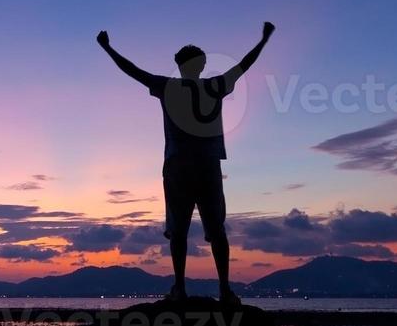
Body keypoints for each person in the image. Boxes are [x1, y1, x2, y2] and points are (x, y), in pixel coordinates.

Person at [97, 23, 276, 305]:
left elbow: (133, 71)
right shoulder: (214, 85)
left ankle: (180, 288)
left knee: (179, 230)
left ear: (179, 66)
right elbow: (245, 64)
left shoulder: (169, 86)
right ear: (202, 65)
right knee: (216, 229)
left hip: (179, 165)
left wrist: (107, 48)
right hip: (207, 165)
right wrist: (264, 39)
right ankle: (225, 290)